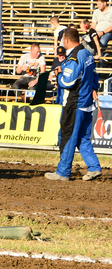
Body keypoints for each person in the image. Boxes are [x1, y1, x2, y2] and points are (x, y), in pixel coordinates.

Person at [45, 27, 102, 181]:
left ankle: (62, 172)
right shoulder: (86, 53)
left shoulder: (75, 57)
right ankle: (94, 167)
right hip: (86, 103)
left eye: (62, 39)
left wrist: (58, 75)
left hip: (75, 103)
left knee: (67, 135)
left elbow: (67, 81)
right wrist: (94, 88)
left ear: (67, 40)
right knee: (82, 137)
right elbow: (94, 74)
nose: (61, 41)